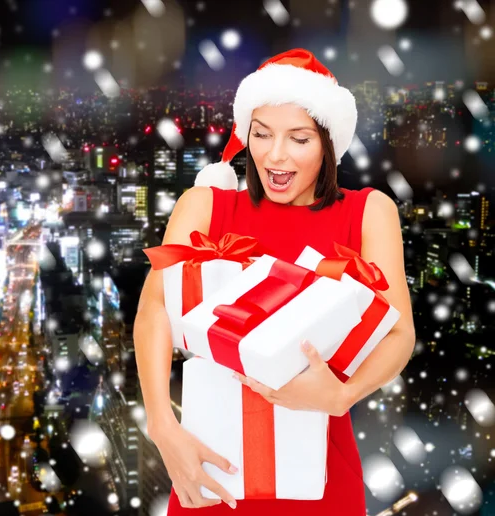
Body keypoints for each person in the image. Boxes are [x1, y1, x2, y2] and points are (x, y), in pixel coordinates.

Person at [134, 48, 416, 515]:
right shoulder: (206, 205)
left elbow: (399, 333)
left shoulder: (369, 212)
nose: (275, 155)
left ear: (328, 143)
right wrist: (164, 430)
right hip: (211, 460)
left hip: (322, 460)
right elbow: (155, 311)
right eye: (261, 134)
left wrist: (343, 394)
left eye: (299, 139)